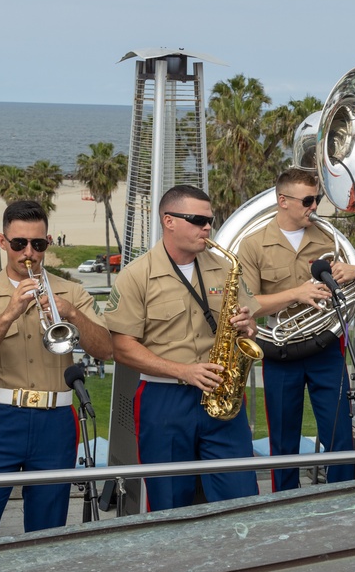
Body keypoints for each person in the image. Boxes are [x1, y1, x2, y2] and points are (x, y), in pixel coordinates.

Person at [0, 200, 113, 542]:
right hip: (1, 418)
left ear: (47, 243)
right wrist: (8, 313)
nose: (29, 253)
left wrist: (70, 313)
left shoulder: (72, 291)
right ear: (2, 241)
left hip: (56, 420)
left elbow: (106, 349)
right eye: (19, 243)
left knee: (47, 533)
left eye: (38, 244)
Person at [104, 184, 260, 511]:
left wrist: (248, 327)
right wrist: (184, 371)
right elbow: (123, 349)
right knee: (170, 503)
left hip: (222, 395)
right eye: (197, 220)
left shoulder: (224, 267)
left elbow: (251, 327)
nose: (207, 228)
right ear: (168, 221)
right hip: (165, 401)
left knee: (242, 497)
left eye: (209, 221)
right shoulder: (136, 276)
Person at [237, 168, 355, 491]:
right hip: (280, 352)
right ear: (283, 201)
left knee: (340, 438)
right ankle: (284, 508)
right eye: (308, 200)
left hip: (326, 350)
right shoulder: (254, 245)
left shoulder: (328, 238)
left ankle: (341, 504)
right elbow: (247, 304)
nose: (314, 207)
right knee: (283, 443)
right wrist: (296, 294)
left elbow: (352, 283)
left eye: (316, 199)